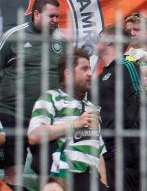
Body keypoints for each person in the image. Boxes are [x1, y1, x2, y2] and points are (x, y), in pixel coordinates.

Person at [0, 0, 65, 186]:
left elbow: (67, 79)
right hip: (13, 114)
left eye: (57, 17)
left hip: (46, 119)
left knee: (49, 174)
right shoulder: (13, 36)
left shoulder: (62, 42)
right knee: (13, 174)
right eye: (51, 16)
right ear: (36, 14)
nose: (55, 20)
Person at [28, 48, 106, 190]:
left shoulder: (93, 108)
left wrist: (104, 185)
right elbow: (34, 135)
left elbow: (99, 152)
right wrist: (75, 124)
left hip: (92, 180)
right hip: (62, 177)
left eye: (90, 68)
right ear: (68, 74)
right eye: (84, 69)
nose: (90, 73)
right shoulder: (51, 98)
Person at [93, 25, 143, 191]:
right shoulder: (101, 77)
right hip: (104, 151)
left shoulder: (126, 66)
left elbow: (140, 101)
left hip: (124, 149)